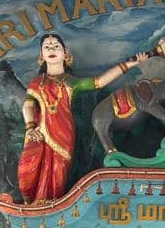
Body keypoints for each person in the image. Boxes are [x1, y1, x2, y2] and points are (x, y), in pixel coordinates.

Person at [18, 33, 147, 203]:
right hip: (40, 132)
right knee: (28, 168)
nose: (51, 49)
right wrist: (30, 128)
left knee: (58, 168)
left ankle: (52, 203)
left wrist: (131, 64)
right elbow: (28, 106)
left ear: (66, 53)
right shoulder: (36, 83)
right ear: (41, 56)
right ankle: (33, 202)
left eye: (56, 46)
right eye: (47, 47)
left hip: (63, 132)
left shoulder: (72, 82)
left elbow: (99, 82)